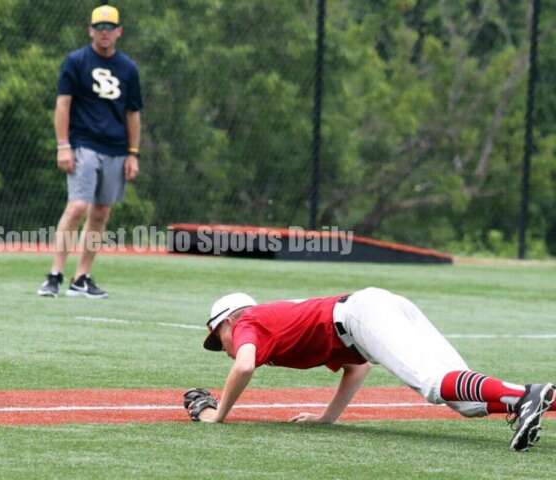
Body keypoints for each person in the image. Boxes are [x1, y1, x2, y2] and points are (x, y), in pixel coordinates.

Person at [191, 288, 555, 452]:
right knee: (466, 402)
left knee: (432, 383)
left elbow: (244, 366)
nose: (221, 345)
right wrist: (326, 418)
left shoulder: (247, 322)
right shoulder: (271, 325)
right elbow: (358, 367)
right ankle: (537, 399)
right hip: (372, 310)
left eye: (217, 336)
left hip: (362, 314)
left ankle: (527, 395)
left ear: (230, 320)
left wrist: (218, 415)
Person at [37, 4, 142, 299]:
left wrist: (133, 153)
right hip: (83, 143)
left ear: (119, 31)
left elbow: (133, 114)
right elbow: (63, 105)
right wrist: (63, 146)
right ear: (90, 30)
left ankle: (81, 278)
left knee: (101, 212)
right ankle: (54, 275)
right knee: (78, 206)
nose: (105, 33)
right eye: (99, 28)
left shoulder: (128, 69)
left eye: (110, 28)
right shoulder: (76, 62)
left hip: (116, 148)